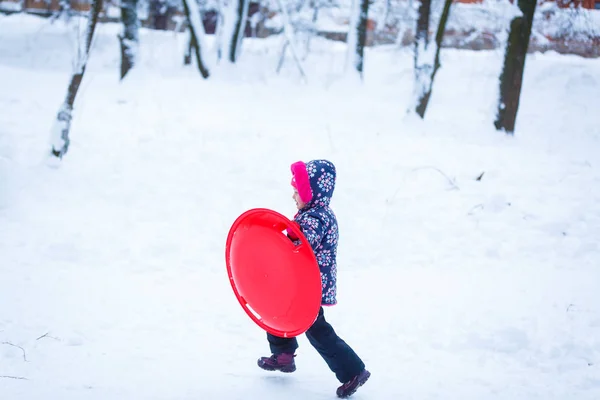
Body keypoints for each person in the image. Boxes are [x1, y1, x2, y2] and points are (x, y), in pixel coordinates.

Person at [257, 159, 370, 398]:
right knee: (278, 309)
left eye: (296, 191)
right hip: (300, 282)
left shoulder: (316, 217)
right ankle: (283, 355)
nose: (293, 196)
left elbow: (299, 241)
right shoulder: (312, 213)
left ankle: (353, 371)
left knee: (317, 330)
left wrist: (278, 240)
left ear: (310, 193)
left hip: (310, 285)